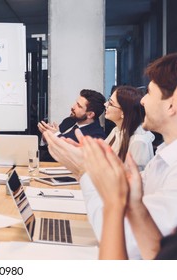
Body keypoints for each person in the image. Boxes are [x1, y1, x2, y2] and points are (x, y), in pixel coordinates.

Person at [43, 53, 177, 259]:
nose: (142, 101)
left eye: (149, 93)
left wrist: (84, 172)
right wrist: (86, 161)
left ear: (172, 103)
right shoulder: (162, 157)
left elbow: (126, 240)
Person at [103, 85, 154, 170]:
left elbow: (136, 177)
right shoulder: (117, 130)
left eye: (111, 103)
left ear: (123, 112)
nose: (105, 104)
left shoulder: (138, 141)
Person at [38, 89, 106, 143]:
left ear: (90, 114)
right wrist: (46, 138)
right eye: (76, 103)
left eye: (79, 106)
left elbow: (72, 155)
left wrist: (55, 135)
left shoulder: (96, 136)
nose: (73, 107)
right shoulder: (69, 120)